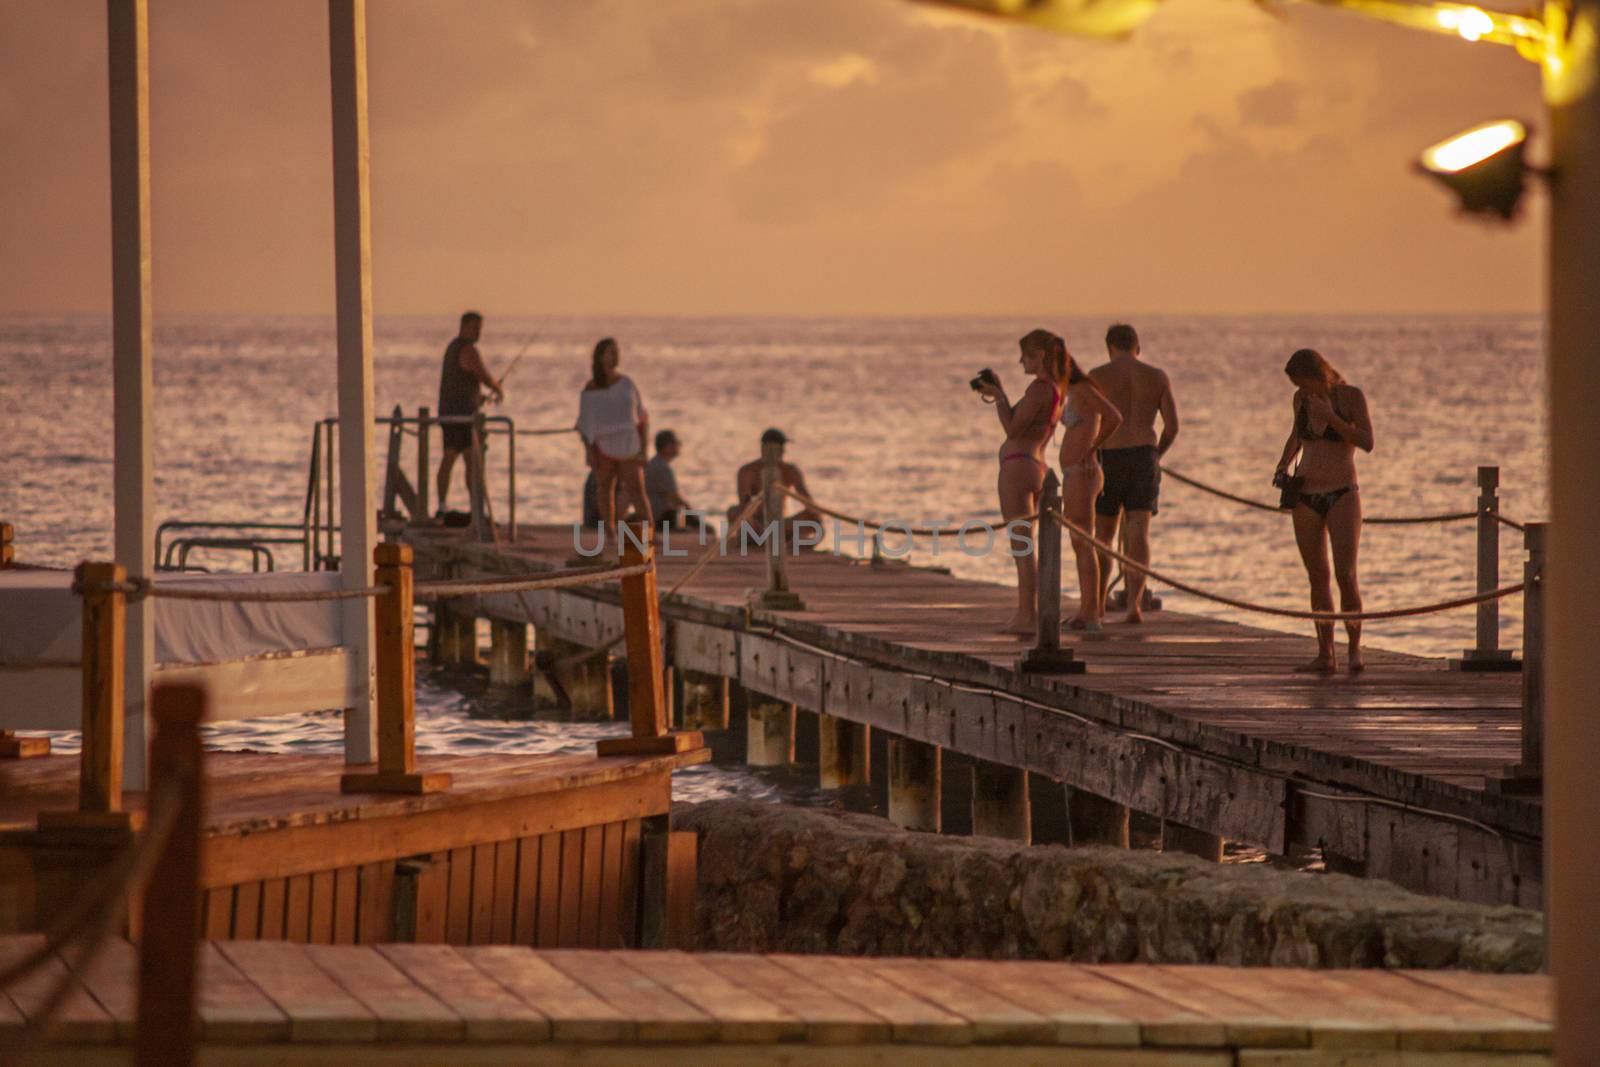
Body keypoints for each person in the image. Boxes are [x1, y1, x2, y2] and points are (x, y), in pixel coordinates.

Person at [1274, 348, 1374, 673]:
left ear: (1319, 375)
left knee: (1346, 574)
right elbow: (1296, 437)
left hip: (1342, 493)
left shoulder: (1349, 397)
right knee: (1317, 575)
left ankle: (1355, 649)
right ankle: (1325, 651)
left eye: (1304, 382)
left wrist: (1331, 418)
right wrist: (1282, 463)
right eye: (1296, 384)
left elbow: (1367, 441)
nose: (1302, 389)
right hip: (1306, 493)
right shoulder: (1300, 400)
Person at [975, 329, 1067, 634]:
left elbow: (1013, 430)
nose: (1020, 361)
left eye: (1025, 356)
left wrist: (1000, 398)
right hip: (1035, 464)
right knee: (1028, 545)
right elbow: (1021, 423)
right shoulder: (1056, 389)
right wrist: (1000, 395)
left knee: (1021, 546)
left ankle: (1027, 616)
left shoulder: (1040, 388)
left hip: (1018, 467)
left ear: (1040, 355)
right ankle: (1031, 613)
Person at [1090, 323, 1180, 624]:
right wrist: (1156, 455)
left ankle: (1100, 603)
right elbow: (1172, 427)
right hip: (1144, 455)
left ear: (1109, 347)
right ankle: (1134, 606)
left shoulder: (1098, 376)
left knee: (1103, 534)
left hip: (1109, 456)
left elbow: (1088, 423)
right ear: (1137, 347)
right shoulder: (1156, 376)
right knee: (1139, 530)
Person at [1056, 337, 1123, 631]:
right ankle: (1087, 608)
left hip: (1084, 472)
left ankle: (1091, 613)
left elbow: (1114, 416)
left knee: (1084, 541)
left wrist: (1093, 447)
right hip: (1074, 471)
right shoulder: (1069, 391)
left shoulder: (1084, 389)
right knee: (1079, 542)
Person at [576, 337, 650, 557]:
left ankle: (650, 532)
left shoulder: (627, 383)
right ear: (600, 357)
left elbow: (642, 417)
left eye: (617, 352)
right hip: (602, 443)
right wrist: (589, 451)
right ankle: (610, 532)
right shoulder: (591, 389)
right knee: (605, 487)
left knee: (636, 488)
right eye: (610, 352)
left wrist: (644, 448)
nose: (615, 356)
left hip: (628, 442)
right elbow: (585, 423)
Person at [435, 311, 503, 514]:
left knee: (452, 457)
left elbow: (462, 382)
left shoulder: (452, 348)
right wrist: (497, 388)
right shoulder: (468, 349)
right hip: (462, 416)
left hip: (450, 412)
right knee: (469, 460)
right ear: (464, 326)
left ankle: (442, 505)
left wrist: (478, 398)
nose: (478, 332)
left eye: (480, 329)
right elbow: (482, 374)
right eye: (475, 328)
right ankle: (476, 508)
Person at [730, 429, 822, 544]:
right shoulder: (747, 471)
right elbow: (744, 504)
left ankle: (785, 539)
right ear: (764, 449)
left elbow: (808, 502)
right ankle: (762, 538)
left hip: (782, 525)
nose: (782, 451)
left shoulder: (790, 471)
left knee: (813, 516)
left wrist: (815, 513)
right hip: (757, 526)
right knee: (734, 512)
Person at [645, 430, 706, 532]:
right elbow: (675, 497)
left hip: (655, 515)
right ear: (667, 446)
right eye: (676, 444)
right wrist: (693, 514)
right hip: (662, 517)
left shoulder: (653, 463)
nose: (678, 447)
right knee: (706, 529)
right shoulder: (662, 467)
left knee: (686, 517)